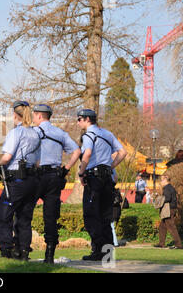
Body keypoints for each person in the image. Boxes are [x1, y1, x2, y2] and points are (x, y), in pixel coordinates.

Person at [32, 104, 81, 263]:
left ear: (39, 116)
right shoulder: (60, 133)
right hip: (54, 176)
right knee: (51, 216)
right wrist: (65, 169)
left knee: (24, 212)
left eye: (34, 115)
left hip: (36, 176)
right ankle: (50, 254)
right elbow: (77, 151)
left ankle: (22, 250)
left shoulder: (33, 132)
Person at [77, 109, 127, 261]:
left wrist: (81, 172)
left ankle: (97, 250)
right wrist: (111, 167)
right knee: (105, 216)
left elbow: (87, 153)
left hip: (94, 178)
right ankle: (108, 253)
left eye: (79, 119)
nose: (78, 122)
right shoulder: (107, 133)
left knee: (91, 215)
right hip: (107, 178)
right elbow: (122, 152)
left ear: (87, 119)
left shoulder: (88, 135)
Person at [0, 101, 41, 261]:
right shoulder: (36, 133)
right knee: (24, 217)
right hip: (32, 180)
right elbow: (37, 162)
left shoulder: (16, 132)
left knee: (3, 215)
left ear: (15, 115)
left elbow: (7, 157)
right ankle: (23, 251)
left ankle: (7, 249)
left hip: (17, 179)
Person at [154, 175, 183, 249]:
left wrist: (158, 199)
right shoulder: (169, 187)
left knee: (171, 227)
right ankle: (161, 243)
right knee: (162, 227)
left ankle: (178, 244)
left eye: (161, 180)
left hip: (169, 209)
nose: (161, 182)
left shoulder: (167, 188)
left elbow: (167, 198)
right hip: (169, 209)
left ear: (165, 180)